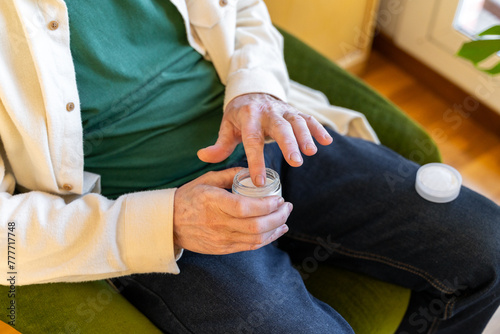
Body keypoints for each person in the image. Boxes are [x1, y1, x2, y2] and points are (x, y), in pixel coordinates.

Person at [0, 0, 498, 333]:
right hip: (150, 213)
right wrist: (165, 220)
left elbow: (243, 9)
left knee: (488, 245)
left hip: (266, 132)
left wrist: (257, 88)